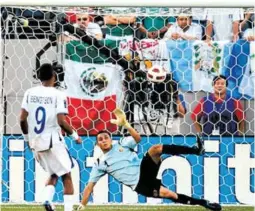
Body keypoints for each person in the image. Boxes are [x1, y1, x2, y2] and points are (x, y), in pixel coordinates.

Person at [76, 108, 222, 211]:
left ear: (110, 138)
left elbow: (138, 138)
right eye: (100, 139)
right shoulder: (100, 163)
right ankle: (205, 204)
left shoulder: (120, 143)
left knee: (156, 149)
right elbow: (89, 186)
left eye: (106, 137)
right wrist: (83, 205)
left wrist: (126, 125)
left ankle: (196, 150)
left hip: (144, 170)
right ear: (97, 144)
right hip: (140, 185)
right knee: (170, 194)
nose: (104, 140)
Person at [19, 63, 82, 211]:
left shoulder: (29, 92)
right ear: (54, 76)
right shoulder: (58, 94)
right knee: (67, 175)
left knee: (54, 173)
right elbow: (61, 121)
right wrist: (75, 136)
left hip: (36, 142)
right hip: (53, 141)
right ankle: (68, 209)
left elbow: (22, 119)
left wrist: (28, 140)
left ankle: (47, 199)